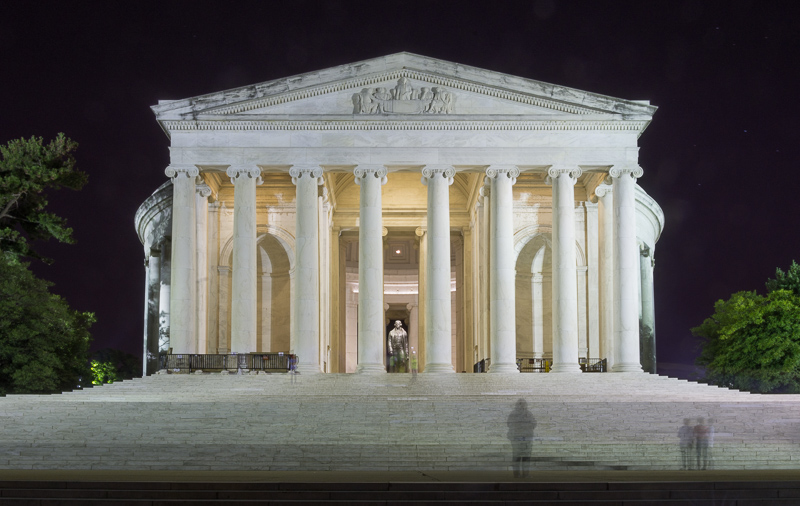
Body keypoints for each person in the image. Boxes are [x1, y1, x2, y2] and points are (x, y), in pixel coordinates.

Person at [507, 398, 536, 477]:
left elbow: (534, 424)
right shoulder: (525, 414)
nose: (522, 405)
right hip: (519, 438)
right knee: (518, 457)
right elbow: (509, 424)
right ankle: (518, 475)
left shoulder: (528, 414)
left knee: (523, 457)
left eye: (523, 404)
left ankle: (523, 474)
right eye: (520, 403)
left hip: (525, 439)